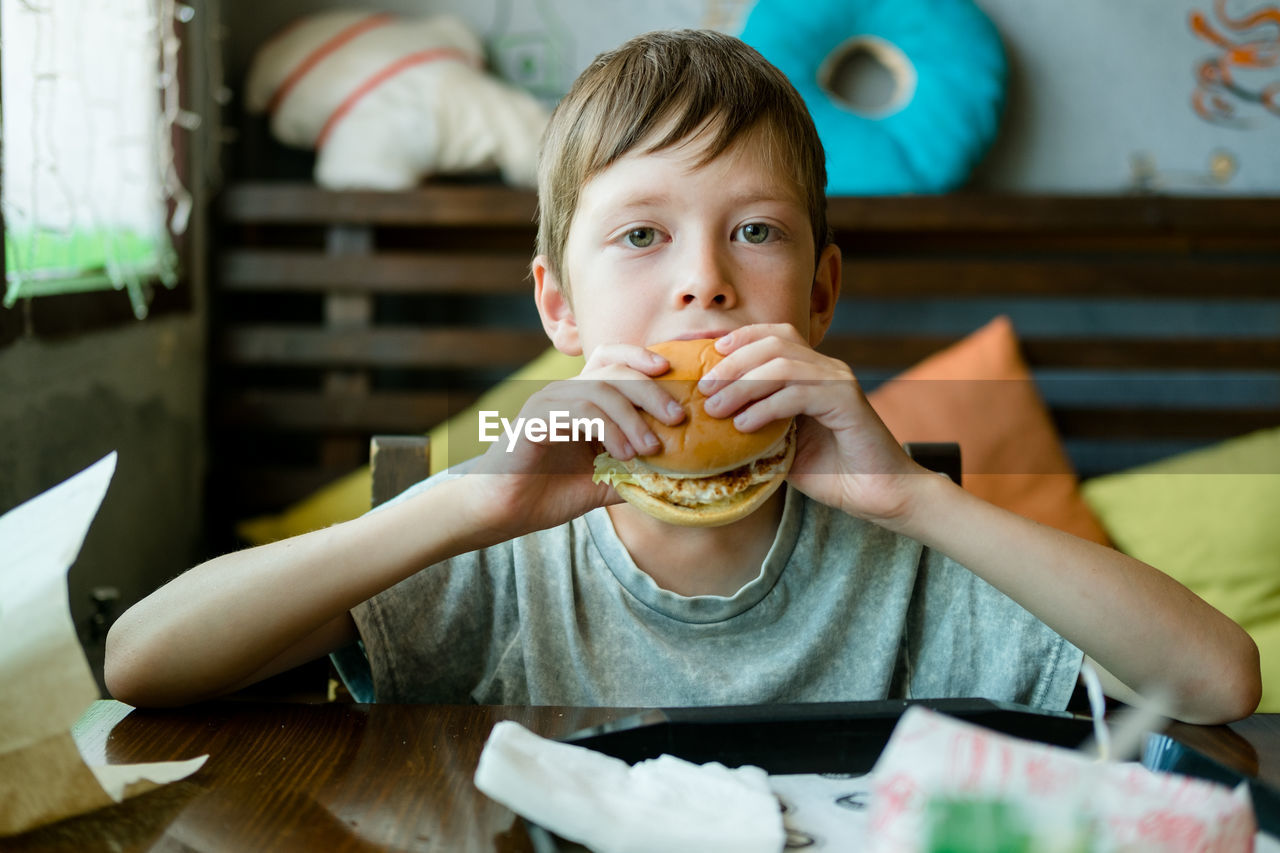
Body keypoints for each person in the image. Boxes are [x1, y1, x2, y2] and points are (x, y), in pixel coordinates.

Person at [106, 29, 1260, 724]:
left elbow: (1216, 682)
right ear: (557, 303)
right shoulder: (493, 551)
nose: (703, 282)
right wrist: (470, 501)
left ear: (819, 296)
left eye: (755, 232)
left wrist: (915, 498)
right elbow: (141, 661)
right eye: (641, 236)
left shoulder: (908, 561)